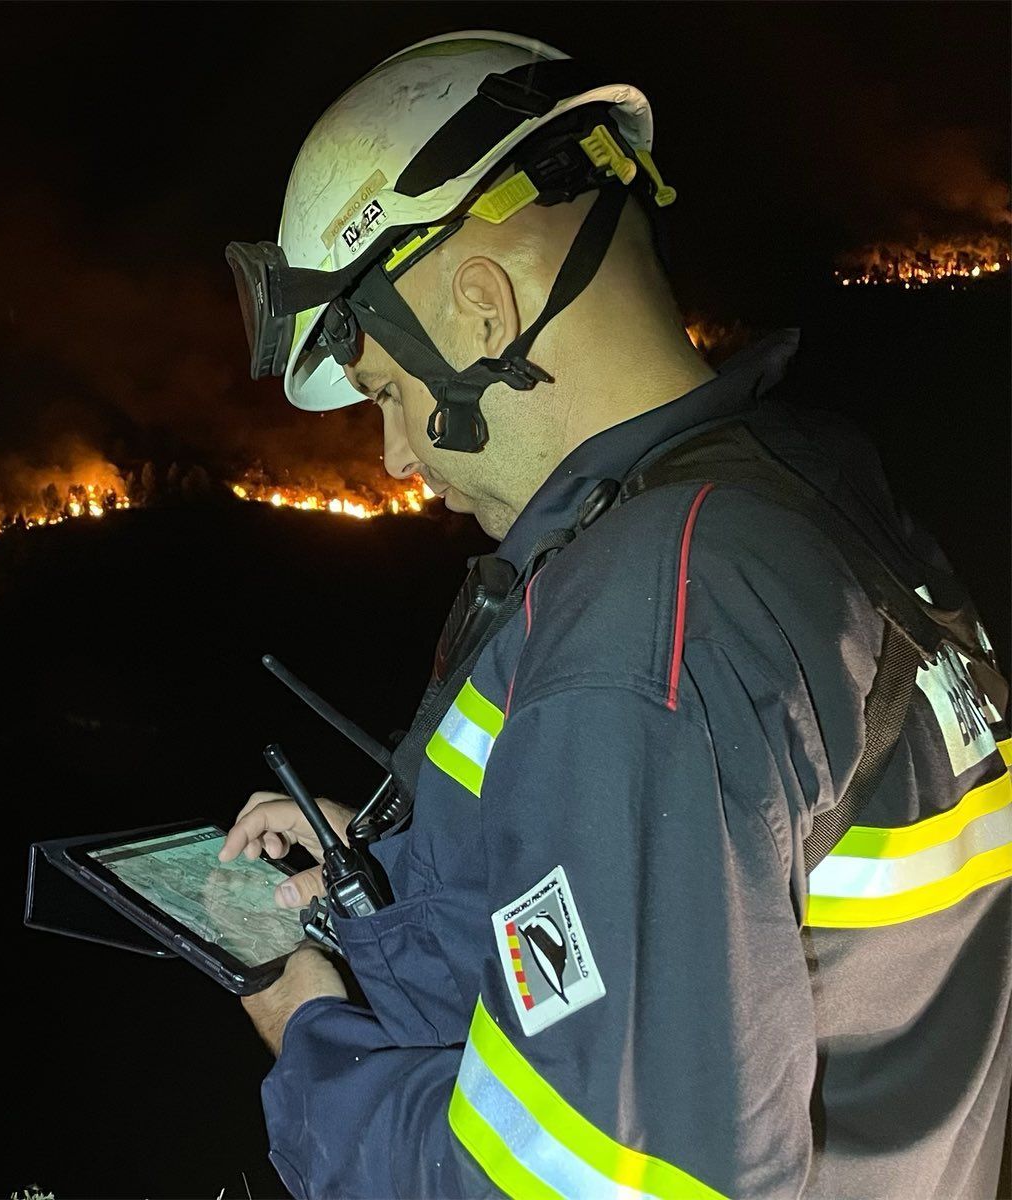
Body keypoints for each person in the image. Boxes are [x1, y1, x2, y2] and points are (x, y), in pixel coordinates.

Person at [219, 30, 1011, 1199]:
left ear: (481, 310)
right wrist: (410, 859)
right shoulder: (799, 505)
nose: (392, 457)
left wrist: (311, 1036)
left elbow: (595, 1178)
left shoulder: (645, 633)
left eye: (386, 393)